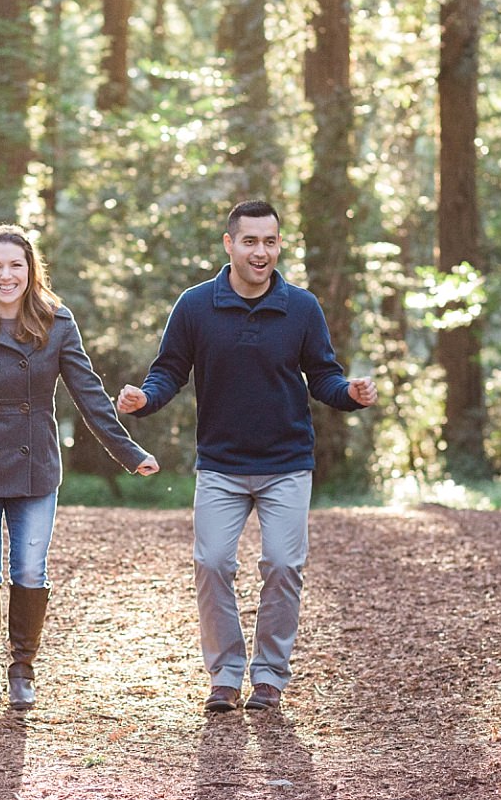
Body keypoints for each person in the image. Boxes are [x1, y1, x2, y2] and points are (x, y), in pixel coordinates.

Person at [117, 199, 376, 713]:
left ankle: (270, 677)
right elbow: (169, 370)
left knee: (282, 565)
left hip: (286, 464)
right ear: (229, 244)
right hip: (221, 464)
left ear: (280, 244)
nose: (262, 252)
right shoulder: (194, 306)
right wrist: (144, 399)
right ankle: (226, 675)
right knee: (212, 563)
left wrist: (350, 393)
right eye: (251, 241)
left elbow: (322, 374)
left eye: (271, 241)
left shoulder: (301, 307)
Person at [0, 223, 159, 711]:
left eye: (15, 265)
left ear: (30, 269)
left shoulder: (57, 322)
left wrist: (128, 452)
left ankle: (22, 668)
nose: (6, 275)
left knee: (30, 571)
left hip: (35, 463)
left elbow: (89, 395)